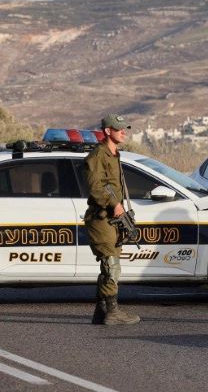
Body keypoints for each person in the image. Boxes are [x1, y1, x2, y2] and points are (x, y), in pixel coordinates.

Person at [85, 114, 140, 325]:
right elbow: (95, 187)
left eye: (124, 128)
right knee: (111, 265)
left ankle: (101, 310)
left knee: (109, 266)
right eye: (119, 129)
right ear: (108, 131)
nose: (123, 132)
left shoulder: (114, 154)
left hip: (112, 220)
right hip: (101, 218)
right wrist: (114, 204)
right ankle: (113, 312)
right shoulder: (98, 156)